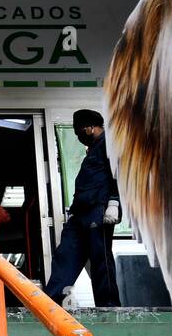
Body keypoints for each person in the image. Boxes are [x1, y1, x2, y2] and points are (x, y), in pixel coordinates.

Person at [44, 108, 123, 308]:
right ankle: (53, 302)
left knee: (100, 260)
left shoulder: (110, 144)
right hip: (80, 212)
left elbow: (119, 175)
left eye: (79, 132)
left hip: (99, 209)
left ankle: (109, 307)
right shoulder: (93, 150)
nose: (79, 137)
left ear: (88, 128)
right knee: (65, 254)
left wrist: (114, 202)